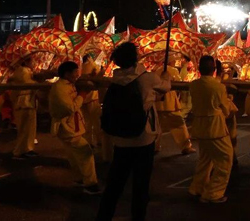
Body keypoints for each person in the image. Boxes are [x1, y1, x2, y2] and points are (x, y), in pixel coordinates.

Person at [96, 42, 171, 220]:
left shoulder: (115, 79)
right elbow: (165, 87)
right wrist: (166, 76)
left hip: (120, 139)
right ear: (135, 58)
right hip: (143, 138)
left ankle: (103, 216)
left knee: (115, 184)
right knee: (141, 185)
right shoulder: (148, 78)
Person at [49, 61, 101, 195]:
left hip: (71, 126)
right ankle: (91, 183)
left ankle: (79, 178)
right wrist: (81, 95)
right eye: (75, 72)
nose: (77, 75)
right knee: (85, 152)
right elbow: (70, 108)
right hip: (68, 128)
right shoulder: (60, 88)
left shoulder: (68, 85)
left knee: (73, 154)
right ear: (67, 74)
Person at [188, 55, 234, 203]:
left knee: (205, 159)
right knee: (225, 159)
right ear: (214, 69)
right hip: (215, 128)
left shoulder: (193, 85)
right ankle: (214, 193)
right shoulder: (219, 87)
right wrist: (229, 100)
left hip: (199, 126)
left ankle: (198, 187)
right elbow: (225, 110)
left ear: (199, 69)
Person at [154, 62, 195, 155]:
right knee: (178, 124)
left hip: (158, 102)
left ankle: (154, 146)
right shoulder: (173, 70)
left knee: (157, 126)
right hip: (169, 101)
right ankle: (186, 146)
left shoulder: (157, 70)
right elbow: (179, 81)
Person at [10, 56, 38, 159]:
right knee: (24, 128)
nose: (34, 63)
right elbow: (27, 83)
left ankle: (28, 149)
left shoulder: (26, 71)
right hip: (24, 102)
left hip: (29, 102)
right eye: (32, 61)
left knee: (29, 128)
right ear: (26, 62)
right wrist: (38, 82)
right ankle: (19, 151)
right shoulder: (22, 71)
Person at [80, 54, 103, 149]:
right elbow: (99, 75)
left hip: (82, 98)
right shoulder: (92, 65)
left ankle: (88, 141)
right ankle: (99, 141)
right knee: (96, 121)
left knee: (86, 121)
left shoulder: (79, 66)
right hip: (92, 97)